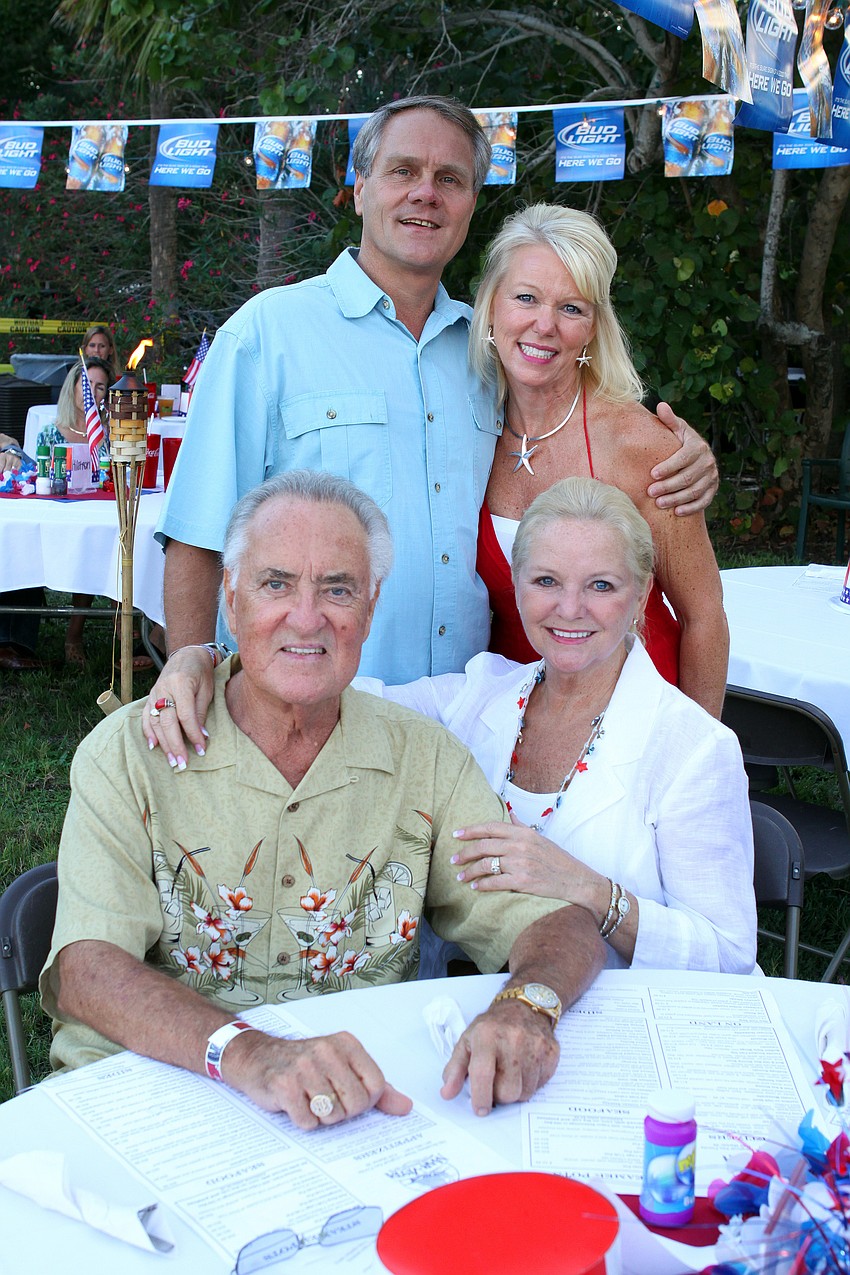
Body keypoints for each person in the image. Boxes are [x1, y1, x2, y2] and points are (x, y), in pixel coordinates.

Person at [41, 471, 605, 1127]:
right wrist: (249, 1053)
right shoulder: (129, 753)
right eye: (275, 583)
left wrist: (526, 1004)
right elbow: (87, 967)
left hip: (346, 1115)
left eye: (337, 589)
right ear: (231, 599)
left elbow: (555, 923)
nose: (306, 618)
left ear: (369, 606)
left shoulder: (422, 759)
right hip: (147, 1100)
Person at [151, 95, 717, 705]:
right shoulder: (268, 334)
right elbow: (197, 533)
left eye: (450, 179)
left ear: (472, 202)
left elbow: (575, 412)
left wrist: (689, 455)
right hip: (310, 704)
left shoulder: (486, 353)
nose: (426, 193)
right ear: (361, 184)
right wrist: (187, 665)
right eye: (403, 171)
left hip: (468, 716)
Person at [359, 478, 756, 975]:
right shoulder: (481, 694)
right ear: (517, 586)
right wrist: (238, 669)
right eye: (546, 581)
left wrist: (585, 888)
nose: (570, 608)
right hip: (473, 1010)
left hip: (619, 1026)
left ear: (641, 596)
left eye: (601, 585)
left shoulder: (694, 749)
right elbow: (354, 700)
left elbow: (728, 955)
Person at [471, 204, 728, 716]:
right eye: (526, 298)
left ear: (592, 326)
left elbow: (704, 616)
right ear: (491, 307)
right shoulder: (462, 424)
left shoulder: (641, 447)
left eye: (571, 308)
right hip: (510, 723)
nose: (544, 325)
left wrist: (698, 754)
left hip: (633, 719)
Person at [0, 357, 113, 671]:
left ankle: (77, 633)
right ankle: (14, 641)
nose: (94, 392)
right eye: (88, 385)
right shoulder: (50, 433)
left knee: (98, 543)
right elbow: (37, 477)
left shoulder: (107, 434)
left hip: (92, 515)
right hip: (55, 513)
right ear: (73, 387)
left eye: (101, 387)